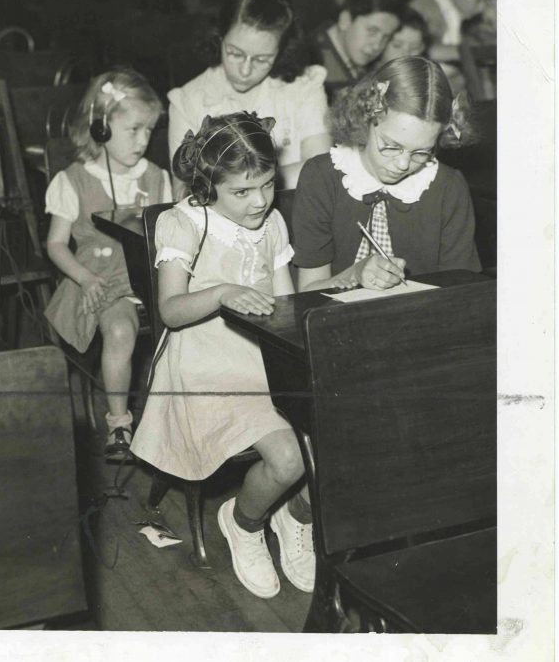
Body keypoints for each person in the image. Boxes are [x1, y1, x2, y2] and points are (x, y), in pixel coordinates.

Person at [131, 112, 318, 599]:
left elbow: (283, 307)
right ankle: (245, 522)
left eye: (268, 185)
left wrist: (348, 280)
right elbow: (170, 311)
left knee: (334, 439)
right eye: (242, 191)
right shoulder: (184, 223)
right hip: (204, 371)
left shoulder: (272, 222)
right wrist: (220, 292)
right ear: (209, 185)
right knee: (290, 457)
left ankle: (292, 518)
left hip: (264, 362)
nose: (259, 201)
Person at [44, 69, 172, 459]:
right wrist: (84, 279)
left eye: (149, 131)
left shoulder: (158, 177)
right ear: (100, 126)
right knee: (119, 331)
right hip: (99, 276)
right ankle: (120, 424)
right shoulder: (74, 180)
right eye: (133, 129)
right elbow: (55, 245)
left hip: (146, 274)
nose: (143, 141)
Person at [292, 56, 480, 293]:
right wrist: (355, 273)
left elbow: (461, 291)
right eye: (391, 145)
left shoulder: (448, 187)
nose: (403, 164)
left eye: (421, 152)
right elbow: (308, 291)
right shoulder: (322, 177)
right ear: (366, 117)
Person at [167, 0, 330, 192]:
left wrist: (236, 187)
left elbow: (320, 172)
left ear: (281, 52)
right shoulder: (188, 101)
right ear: (219, 38)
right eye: (235, 53)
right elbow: (183, 191)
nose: (245, 70)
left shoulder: (304, 86)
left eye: (262, 59)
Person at [311, 0, 403, 86]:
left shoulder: (350, 53)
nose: (377, 46)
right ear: (345, 21)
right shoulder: (313, 69)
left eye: (386, 37)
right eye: (372, 31)